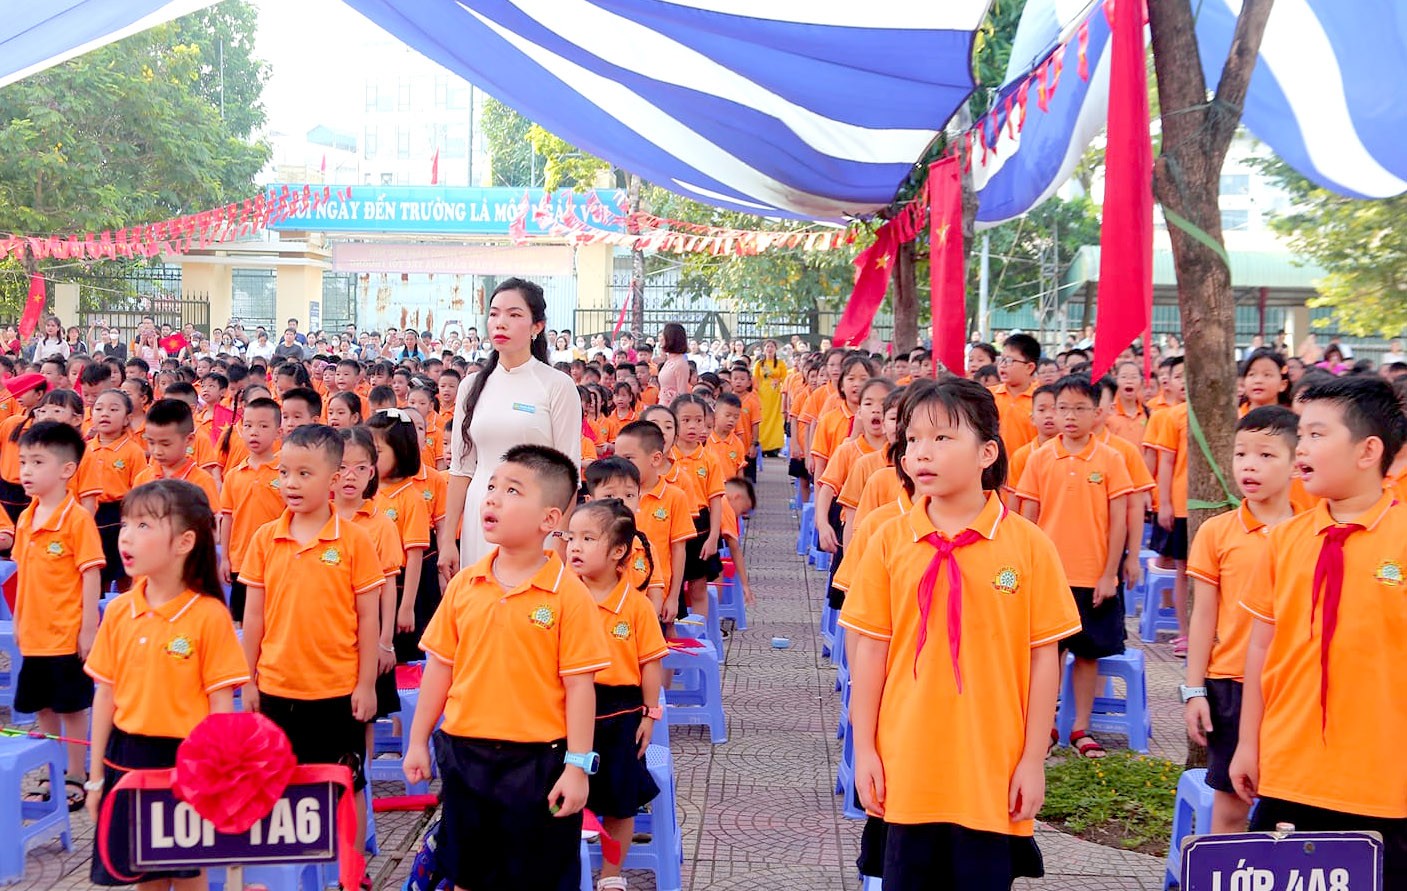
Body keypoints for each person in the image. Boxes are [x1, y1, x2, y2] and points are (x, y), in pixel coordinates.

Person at [841, 379, 1081, 890]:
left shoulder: (1028, 546)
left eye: (942, 439)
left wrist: (1033, 761)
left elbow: (1045, 660)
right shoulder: (888, 540)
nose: (921, 453)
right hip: (907, 766)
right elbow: (869, 654)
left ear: (986, 452)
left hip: (990, 770)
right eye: (912, 441)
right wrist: (864, 752)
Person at [405, 445, 610, 891]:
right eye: (492, 487)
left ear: (550, 520)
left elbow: (580, 688)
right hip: (466, 754)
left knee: (537, 876)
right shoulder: (465, 584)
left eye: (512, 490)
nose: (493, 498)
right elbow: (439, 668)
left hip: (540, 760)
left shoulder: (568, 595)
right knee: (467, 873)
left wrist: (577, 767)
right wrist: (418, 740)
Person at [1230, 376, 1407, 887]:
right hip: (1290, 768)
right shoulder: (1284, 541)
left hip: (1383, 778)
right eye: (1301, 435)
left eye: (1317, 435)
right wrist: (1249, 743)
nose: (1301, 447)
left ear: (1368, 451)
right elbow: (1261, 645)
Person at [85, 480, 249, 888]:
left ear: (184, 542)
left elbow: (221, 706)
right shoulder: (120, 611)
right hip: (126, 760)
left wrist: (220, 775)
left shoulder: (209, 615)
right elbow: (104, 697)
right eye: (125, 525)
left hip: (189, 764)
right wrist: (94, 779)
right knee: (143, 875)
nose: (126, 536)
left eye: (144, 526)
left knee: (190, 873)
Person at [239, 424, 385, 868]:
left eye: (304, 474)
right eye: (284, 473)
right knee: (275, 781)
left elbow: (367, 618)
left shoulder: (355, 540)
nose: (291, 484)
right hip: (277, 688)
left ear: (336, 477)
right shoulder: (265, 538)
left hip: (336, 690)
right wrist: (248, 681)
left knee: (347, 782)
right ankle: (284, 865)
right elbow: (253, 617)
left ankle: (351, 869)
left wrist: (365, 685)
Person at [1183, 406, 1300, 834]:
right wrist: (1193, 690)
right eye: (1240, 454)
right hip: (1230, 684)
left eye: (1267, 455)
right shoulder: (1217, 532)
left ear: (1297, 464)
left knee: (1290, 809)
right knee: (1231, 805)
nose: (1249, 465)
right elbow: (1203, 619)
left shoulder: (1310, 531)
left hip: (1292, 688)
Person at [1017, 376, 1133, 758]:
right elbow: (1027, 520)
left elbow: (1120, 520)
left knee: (1088, 655)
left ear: (1098, 413)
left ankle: (1081, 726)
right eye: (1061, 408)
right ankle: (1045, 727)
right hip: (1049, 577)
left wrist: (1109, 573)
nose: (1069, 416)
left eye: (1080, 408)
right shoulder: (1039, 458)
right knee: (1048, 655)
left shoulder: (1111, 459)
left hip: (1093, 576)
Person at [563, 499, 668, 891]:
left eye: (588, 539)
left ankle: (610, 873)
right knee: (565, 790)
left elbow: (651, 664)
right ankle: (566, 866)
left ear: (619, 551)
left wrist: (649, 715)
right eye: (571, 537)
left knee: (620, 801)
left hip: (620, 711)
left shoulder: (637, 607)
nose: (575, 546)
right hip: (568, 708)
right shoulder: (561, 599)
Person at [443, 279, 582, 575]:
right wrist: (446, 539)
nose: (500, 323)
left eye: (514, 314)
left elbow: (570, 474)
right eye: (494, 314)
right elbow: (461, 469)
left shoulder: (557, 385)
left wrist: (559, 538)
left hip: (537, 517)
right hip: (482, 513)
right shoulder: (471, 386)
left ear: (537, 326)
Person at [13, 420, 103, 808]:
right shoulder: (25, 518)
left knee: (71, 706)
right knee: (42, 706)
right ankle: (51, 769)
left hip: (66, 632)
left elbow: (91, 575)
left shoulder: (76, 519)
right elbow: (21, 577)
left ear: (67, 470)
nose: (26, 472)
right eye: (23, 462)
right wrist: (18, 621)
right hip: (33, 633)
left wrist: (87, 629)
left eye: (37, 462)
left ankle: (75, 775)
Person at [366, 409, 432, 661]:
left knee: (397, 657)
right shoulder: (366, 492)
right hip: (369, 582)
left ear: (401, 450)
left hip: (399, 584)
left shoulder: (411, 498)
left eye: (377, 452)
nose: (370, 459)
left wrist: (406, 607)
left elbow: (415, 557)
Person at [614, 419, 694, 621]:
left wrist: (674, 597)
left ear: (656, 458)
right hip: (617, 592)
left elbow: (678, 550)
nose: (621, 465)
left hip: (657, 593)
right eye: (618, 457)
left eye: (629, 457)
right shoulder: (612, 497)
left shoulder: (675, 497)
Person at [217, 398, 284, 623]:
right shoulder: (234, 476)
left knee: (274, 618)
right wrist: (225, 558)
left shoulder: (284, 474)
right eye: (248, 425)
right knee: (244, 620)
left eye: (263, 426)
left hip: (277, 559)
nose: (254, 432)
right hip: (242, 560)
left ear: (278, 431)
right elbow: (227, 518)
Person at [1144, 356, 1191, 656]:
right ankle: (1186, 633)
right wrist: (1164, 503)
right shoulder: (1174, 416)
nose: (1185, 382)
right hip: (1183, 505)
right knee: (1184, 570)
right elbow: (1166, 463)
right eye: (1179, 376)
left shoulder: (1228, 415)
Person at [669, 395, 725, 620]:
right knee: (673, 584)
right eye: (686, 420)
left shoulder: (709, 459)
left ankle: (699, 640)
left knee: (698, 586)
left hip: (700, 525)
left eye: (699, 420)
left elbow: (716, 500)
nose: (693, 426)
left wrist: (713, 537)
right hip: (673, 525)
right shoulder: (665, 457)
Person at [88, 390, 148, 593]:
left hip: (121, 514)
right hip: (91, 513)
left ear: (127, 419)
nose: (105, 414)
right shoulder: (85, 449)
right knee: (95, 569)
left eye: (113, 409)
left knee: (124, 570)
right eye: (99, 409)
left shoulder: (133, 451)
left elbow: (139, 489)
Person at [133, 399, 219, 507]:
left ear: (189, 440)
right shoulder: (143, 478)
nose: (157, 451)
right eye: (151, 442)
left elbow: (211, 521)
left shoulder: (202, 481)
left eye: (165, 444)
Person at [993, 333, 1041, 457]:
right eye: (1001, 359)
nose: (1002, 365)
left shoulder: (1043, 399)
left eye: (1009, 360)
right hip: (994, 471)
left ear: (1029, 367)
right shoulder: (989, 396)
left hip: (1029, 469)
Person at [751, 340, 786, 454]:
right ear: (764, 349)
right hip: (762, 394)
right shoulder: (759, 364)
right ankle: (762, 445)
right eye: (767, 347)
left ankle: (774, 447)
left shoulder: (780, 363)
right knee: (763, 418)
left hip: (775, 394)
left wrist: (779, 380)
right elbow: (755, 380)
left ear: (775, 349)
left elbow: (785, 378)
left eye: (772, 347)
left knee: (775, 419)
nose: (769, 349)